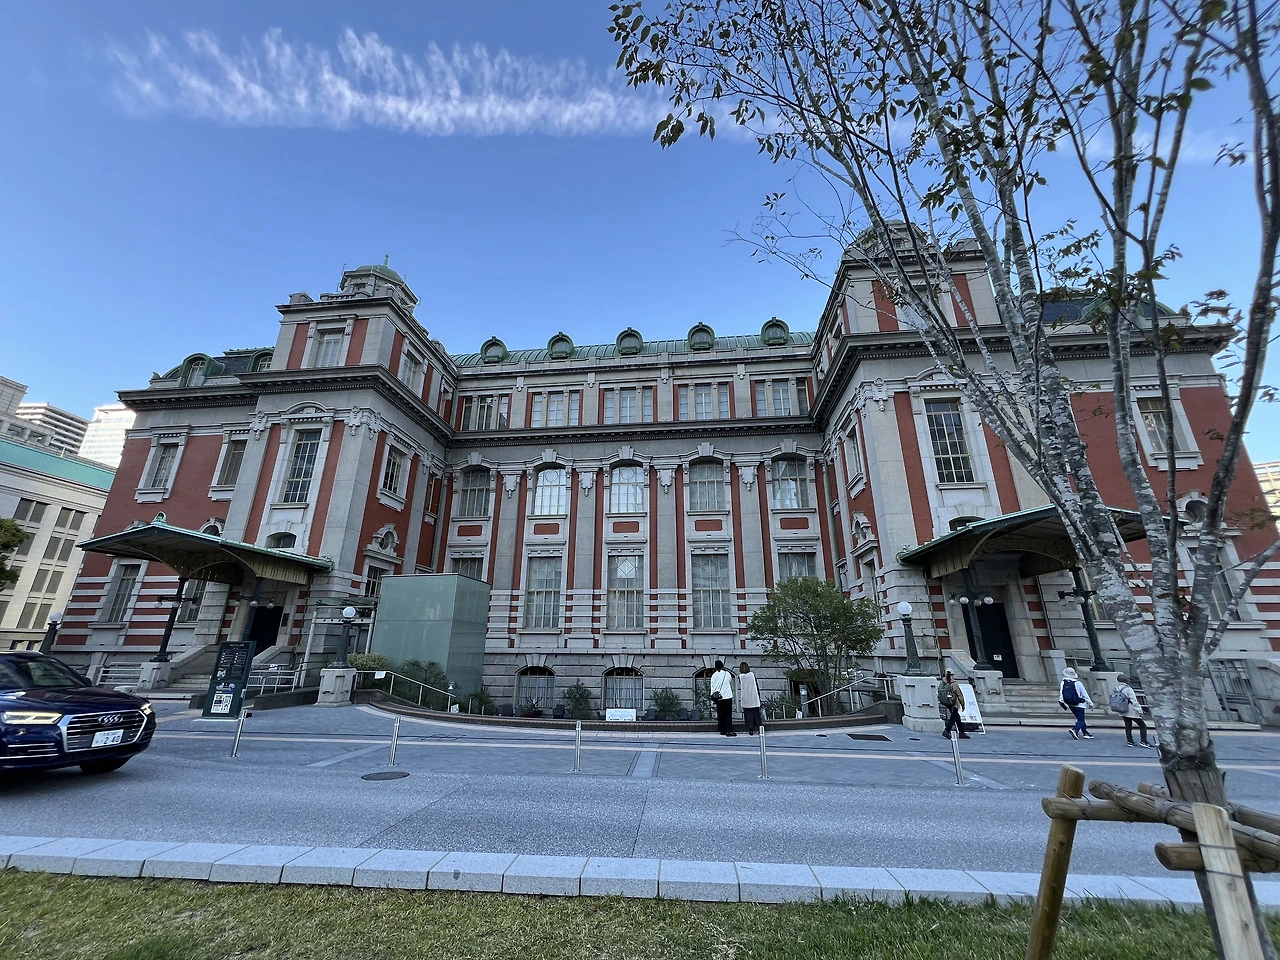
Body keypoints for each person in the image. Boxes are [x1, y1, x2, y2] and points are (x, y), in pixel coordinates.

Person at [1110, 674, 1152, 748]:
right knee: (1142, 726)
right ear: (1126, 680)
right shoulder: (1128, 689)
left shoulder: (1116, 688)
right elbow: (1134, 701)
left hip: (1122, 710)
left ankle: (1130, 741)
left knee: (1128, 726)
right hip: (1131, 710)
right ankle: (1143, 741)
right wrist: (1140, 710)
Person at [1059, 667, 1095, 740]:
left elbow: (1061, 693)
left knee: (1079, 719)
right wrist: (1090, 703)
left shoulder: (1063, 683)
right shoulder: (1078, 683)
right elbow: (1085, 694)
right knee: (1081, 720)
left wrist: (1062, 702)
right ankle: (1075, 730)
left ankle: (1085, 733)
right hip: (1080, 704)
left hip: (1070, 704)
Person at [938, 669, 970, 740]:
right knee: (954, 717)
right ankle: (947, 731)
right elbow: (959, 695)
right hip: (954, 703)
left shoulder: (942, 682)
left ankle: (961, 732)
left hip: (947, 702)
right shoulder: (954, 684)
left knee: (957, 717)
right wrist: (963, 704)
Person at [710, 660, 736, 736]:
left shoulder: (714, 675)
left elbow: (712, 687)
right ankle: (729, 731)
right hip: (727, 696)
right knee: (728, 714)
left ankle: (722, 730)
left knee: (720, 714)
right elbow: (729, 681)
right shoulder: (727, 674)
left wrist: (712, 697)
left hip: (718, 697)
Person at [738, 662, 762, 735]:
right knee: (756, 714)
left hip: (746, 697)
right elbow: (756, 686)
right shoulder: (752, 675)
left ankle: (750, 729)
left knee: (748, 715)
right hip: (754, 697)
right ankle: (760, 728)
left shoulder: (740, 677)